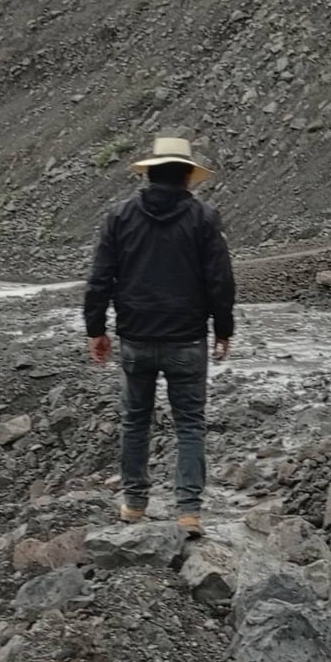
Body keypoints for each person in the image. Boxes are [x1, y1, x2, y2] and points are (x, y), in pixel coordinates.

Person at [83, 136, 236, 533]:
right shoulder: (205, 218)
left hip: (135, 338)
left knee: (136, 421)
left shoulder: (118, 217)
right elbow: (220, 280)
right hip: (187, 339)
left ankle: (134, 505)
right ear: (188, 175)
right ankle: (188, 512)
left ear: (148, 173)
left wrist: (96, 330)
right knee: (190, 424)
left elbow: (100, 278)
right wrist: (223, 329)